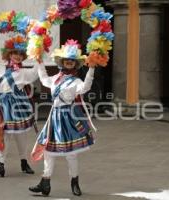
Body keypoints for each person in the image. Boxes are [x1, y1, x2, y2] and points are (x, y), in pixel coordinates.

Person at [29, 40, 97, 196]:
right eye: (66, 60)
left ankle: (75, 182)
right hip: (54, 118)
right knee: (48, 150)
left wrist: (91, 69)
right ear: (62, 62)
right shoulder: (55, 79)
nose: (68, 62)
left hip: (69, 117)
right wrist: (39, 63)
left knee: (70, 153)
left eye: (71, 61)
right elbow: (44, 79)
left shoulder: (77, 81)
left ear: (75, 64)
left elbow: (85, 87)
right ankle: (45, 182)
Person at [0, 35, 38, 177]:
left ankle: (24, 162)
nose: (17, 56)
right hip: (1, 107)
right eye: (14, 53)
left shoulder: (24, 72)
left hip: (18, 107)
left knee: (21, 136)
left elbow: (37, 72)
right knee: (3, 135)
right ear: (9, 54)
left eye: (20, 54)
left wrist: (39, 56)